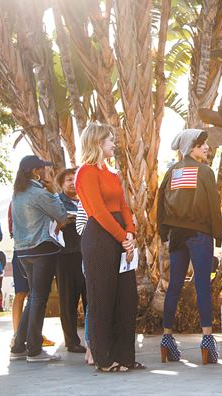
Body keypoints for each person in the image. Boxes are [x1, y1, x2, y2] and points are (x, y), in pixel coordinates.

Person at [75, 123, 143, 372]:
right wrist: (122, 237)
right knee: (102, 298)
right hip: (99, 238)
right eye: (110, 140)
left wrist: (131, 233)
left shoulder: (112, 173)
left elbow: (123, 206)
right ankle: (104, 359)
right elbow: (99, 212)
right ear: (97, 143)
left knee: (127, 298)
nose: (114, 144)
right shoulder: (86, 172)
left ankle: (125, 356)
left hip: (119, 235)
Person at [156, 129, 222, 365]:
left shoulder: (171, 172)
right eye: (200, 144)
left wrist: (163, 230)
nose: (206, 148)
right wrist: (219, 234)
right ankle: (207, 341)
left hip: (176, 235)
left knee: (173, 286)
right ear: (190, 148)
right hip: (199, 233)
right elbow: (213, 205)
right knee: (202, 285)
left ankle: (166, 339)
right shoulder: (204, 171)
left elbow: (160, 201)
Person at [9, 155, 67, 363]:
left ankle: (18, 346)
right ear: (35, 172)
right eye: (43, 169)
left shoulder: (18, 193)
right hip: (42, 248)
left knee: (33, 297)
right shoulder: (38, 193)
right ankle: (34, 349)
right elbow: (61, 214)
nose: (46, 172)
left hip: (23, 250)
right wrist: (53, 190)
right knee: (39, 299)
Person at [55, 168, 87, 353]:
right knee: (68, 300)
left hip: (86, 254)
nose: (73, 183)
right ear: (62, 183)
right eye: (69, 180)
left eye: (76, 179)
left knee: (89, 297)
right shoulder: (57, 201)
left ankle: (91, 338)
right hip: (65, 256)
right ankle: (71, 340)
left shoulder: (85, 200)